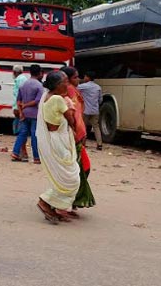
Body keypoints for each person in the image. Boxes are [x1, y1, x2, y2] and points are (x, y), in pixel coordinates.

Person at [35, 71, 80, 224]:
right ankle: (45, 201)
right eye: (65, 82)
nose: (67, 85)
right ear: (56, 85)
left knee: (63, 176)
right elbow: (72, 120)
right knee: (71, 178)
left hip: (54, 140)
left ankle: (55, 206)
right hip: (59, 142)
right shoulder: (57, 99)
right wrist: (70, 105)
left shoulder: (46, 97)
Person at [61, 66, 95, 211]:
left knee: (81, 169)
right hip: (73, 136)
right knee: (80, 169)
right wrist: (76, 133)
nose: (78, 79)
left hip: (78, 134)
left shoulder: (74, 90)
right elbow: (72, 116)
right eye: (75, 77)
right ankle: (69, 200)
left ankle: (72, 200)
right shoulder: (68, 91)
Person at [11, 64, 44, 164]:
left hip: (24, 114)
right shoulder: (39, 86)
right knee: (34, 135)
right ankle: (36, 157)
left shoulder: (23, 84)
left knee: (22, 133)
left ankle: (15, 152)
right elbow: (38, 100)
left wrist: (21, 111)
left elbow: (18, 100)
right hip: (34, 113)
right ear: (40, 73)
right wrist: (26, 105)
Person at [78, 71, 103, 150]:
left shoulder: (83, 86)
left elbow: (74, 88)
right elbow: (100, 100)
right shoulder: (98, 87)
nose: (84, 78)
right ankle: (99, 144)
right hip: (95, 110)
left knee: (83, 127)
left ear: (88, 77)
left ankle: (83, 143)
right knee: (96, 127)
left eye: (85, 76)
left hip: (85, 110)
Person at [12, 65, 28, 136]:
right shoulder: (22, 78)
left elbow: (19, 94)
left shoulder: (20, 79)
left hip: (19, 105)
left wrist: (18, 107)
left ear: (14, 72)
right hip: (19, 105)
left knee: (20, 123)